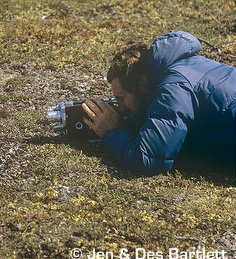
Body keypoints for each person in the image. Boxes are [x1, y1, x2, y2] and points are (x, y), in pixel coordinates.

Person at [81, 31, 236, 176]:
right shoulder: (190, 64)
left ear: (141, 82)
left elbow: (146, 160)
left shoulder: (173, 88)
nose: (121, 108)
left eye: (121, 98)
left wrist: (111, 131)